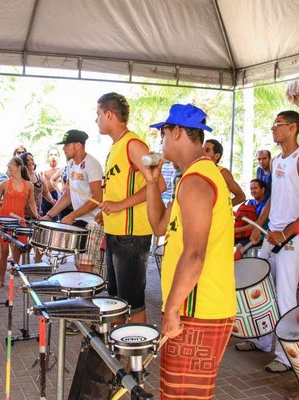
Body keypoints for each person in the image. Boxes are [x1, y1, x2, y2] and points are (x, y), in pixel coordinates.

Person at [144, 103, 236, 398]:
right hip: (192, 307)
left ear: (179, 132)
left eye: (164, 134)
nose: (162, 142)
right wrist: (151, 182)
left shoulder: (197, 180)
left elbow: (195, 253)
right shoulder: (189, 177)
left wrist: (171, 309)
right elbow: (160, 226)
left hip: (198, 309)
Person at [236, 111, 299, 373]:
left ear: (293, 128)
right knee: (263, 292)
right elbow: (274, 199)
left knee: (285, 296)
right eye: (273, 124)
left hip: (291, 239)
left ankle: (286, 357)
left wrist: (287, 233)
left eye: (278, 125)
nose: (273, 129)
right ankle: (262, 342)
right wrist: (259, 227)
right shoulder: (276, 161)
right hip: (271, 234)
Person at [96, 92, 166, 324]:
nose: (96, 120)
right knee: (117, 300)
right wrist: (107, 209)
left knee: (133, 304)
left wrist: (119, 205)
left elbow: (160, 184)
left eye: (98, 115)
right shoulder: (116, 146)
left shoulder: (133, 144)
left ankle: (135, 358)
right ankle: (119, 353)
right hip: (116, 232)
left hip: (132, 235)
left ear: (109, 114)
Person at [43, 130, 104, 273]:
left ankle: (88, 295)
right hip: (79, 221)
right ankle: (85, 294)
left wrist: (71, 215)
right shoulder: (70, 164)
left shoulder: (92, 164)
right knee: (78, 265)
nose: (63, 148)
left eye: (66, 145)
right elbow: (68, 195)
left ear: (78, 145)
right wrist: (50, 215)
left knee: (85, 267)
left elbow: (97, 197)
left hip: (93, 222)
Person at [0, 157, 40, 286]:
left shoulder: (29, 185)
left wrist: (36, 215)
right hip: (4, 220)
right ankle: (1, 279)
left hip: (19, 221)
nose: (8, 167)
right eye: (8, 165)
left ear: (19, 167)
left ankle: (15, 271)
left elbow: (32, 202)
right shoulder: (4, 184)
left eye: (11, 164)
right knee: (3, 252)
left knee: (18, 251)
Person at [21, 151, 55, 262]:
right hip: (23, 214)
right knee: (23, 240)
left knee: (39, 239)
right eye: (27, 160)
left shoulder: (39, 177)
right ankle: (23, 263)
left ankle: (37, 261)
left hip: (37, 213)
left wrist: (51, 200)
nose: (30, 161)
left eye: (31, 159)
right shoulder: (21, 177)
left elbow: (46, 192)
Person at [203, 138, 246, 206]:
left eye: (207, 150)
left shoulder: (223, 172)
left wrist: (223, 208)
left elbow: (241, 197)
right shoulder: (196, 169)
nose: (202, 153)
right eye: (202, 149)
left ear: (217, 156)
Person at [234, 178, 268, 246]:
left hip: (259, 235)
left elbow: (257, 224)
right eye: (251, 189)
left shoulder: (266, 205)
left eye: (255, 188)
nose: (252, 191)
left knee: (239, 247)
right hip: (245, 233)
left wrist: (236, 230)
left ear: (263, 190)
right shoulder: (250, 202)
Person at [41, 147, 62, 218]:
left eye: (55, 155)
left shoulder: (62, 168)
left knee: (56, 216)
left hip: (57, 195)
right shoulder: (43, 168)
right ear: (48, 156)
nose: (53, 156)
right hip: (45, 195)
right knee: (44, 215)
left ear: (58, 156)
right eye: (51, 154)